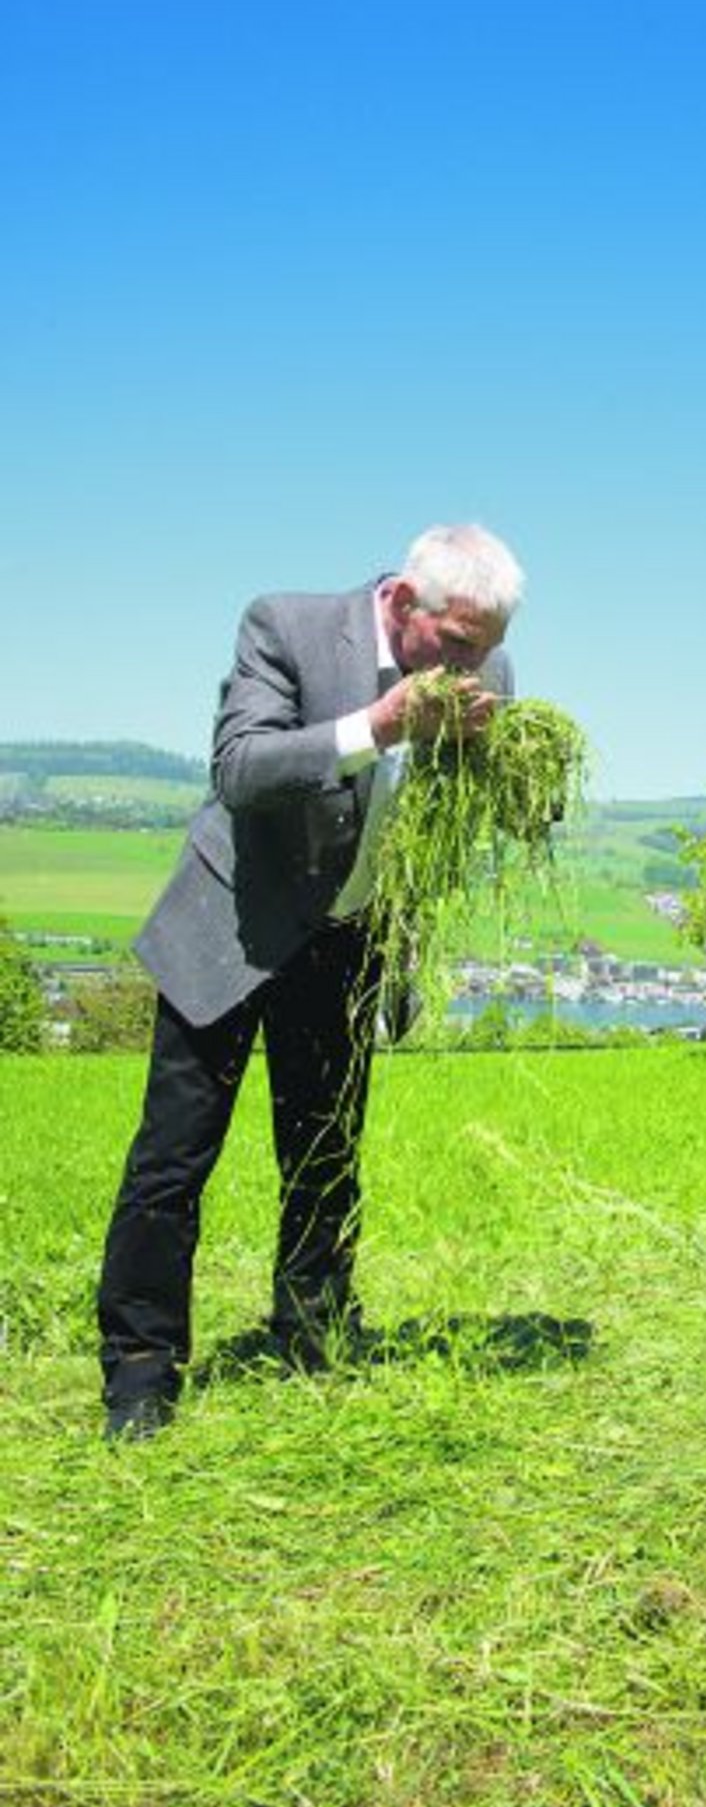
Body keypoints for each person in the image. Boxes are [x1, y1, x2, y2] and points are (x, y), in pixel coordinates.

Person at [97, 522, 524, 1441]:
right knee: (173, 1162)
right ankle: (140, 1375)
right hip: (235, 927)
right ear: (407, 605)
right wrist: (378, 727)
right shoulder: (286, 626)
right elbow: (241, 768)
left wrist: (505, 765)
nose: (474, 670)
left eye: (488, 653)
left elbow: (505, 805)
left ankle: (314, 1334)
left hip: (349, 939)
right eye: (458, 648)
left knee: (325, 1155)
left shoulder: (485, 671)